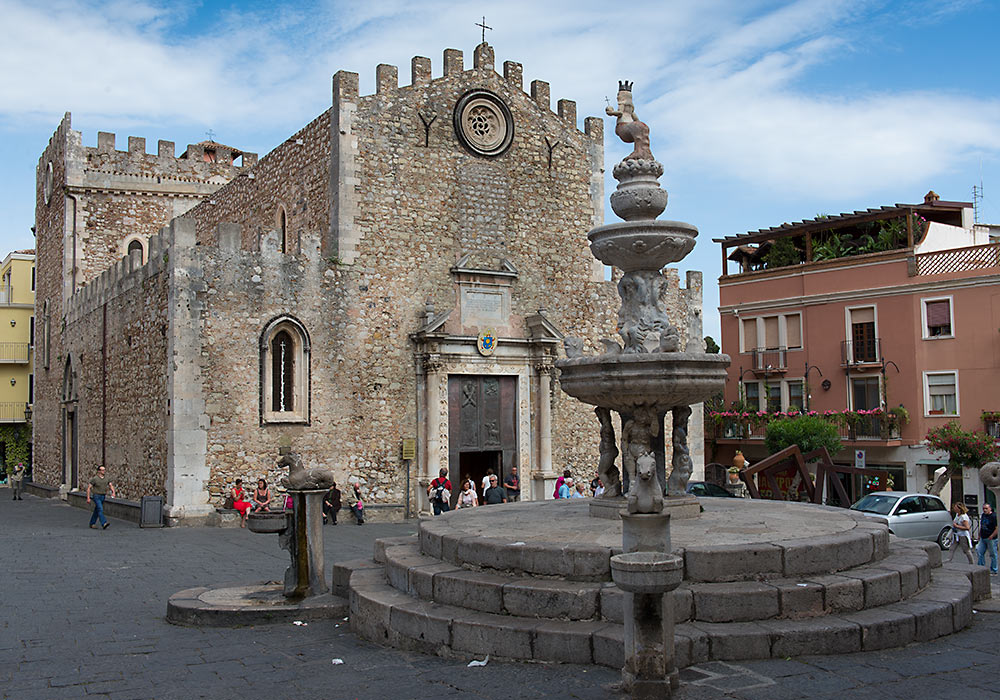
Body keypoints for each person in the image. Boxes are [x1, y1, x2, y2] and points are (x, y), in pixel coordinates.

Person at [86, 465, 117, 530]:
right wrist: (88, 498)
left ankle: (92, 523)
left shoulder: (107, 478)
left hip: (103, 496)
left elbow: (111, 485)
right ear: (99, 471)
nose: (104, 471)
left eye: (104, 470)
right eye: (102, 470)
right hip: (96, 495)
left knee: (97, 510)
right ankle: (104, 523)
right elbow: (89, 488)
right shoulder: (95, 479)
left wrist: (113, 492)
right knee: (100, 509)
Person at [977, 502, 998, 574]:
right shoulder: (983, 515)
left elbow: (997, 528)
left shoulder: (994, 516)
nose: (984, 510)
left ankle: (994, 570)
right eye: (983, 509)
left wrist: (992, 535)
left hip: (991, 538)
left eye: (986, 508)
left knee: (993, 554)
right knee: (979, 551)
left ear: (990, 509)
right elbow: (982, 526)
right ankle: (980, 568)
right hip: (983, 537)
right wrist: (979, 535)